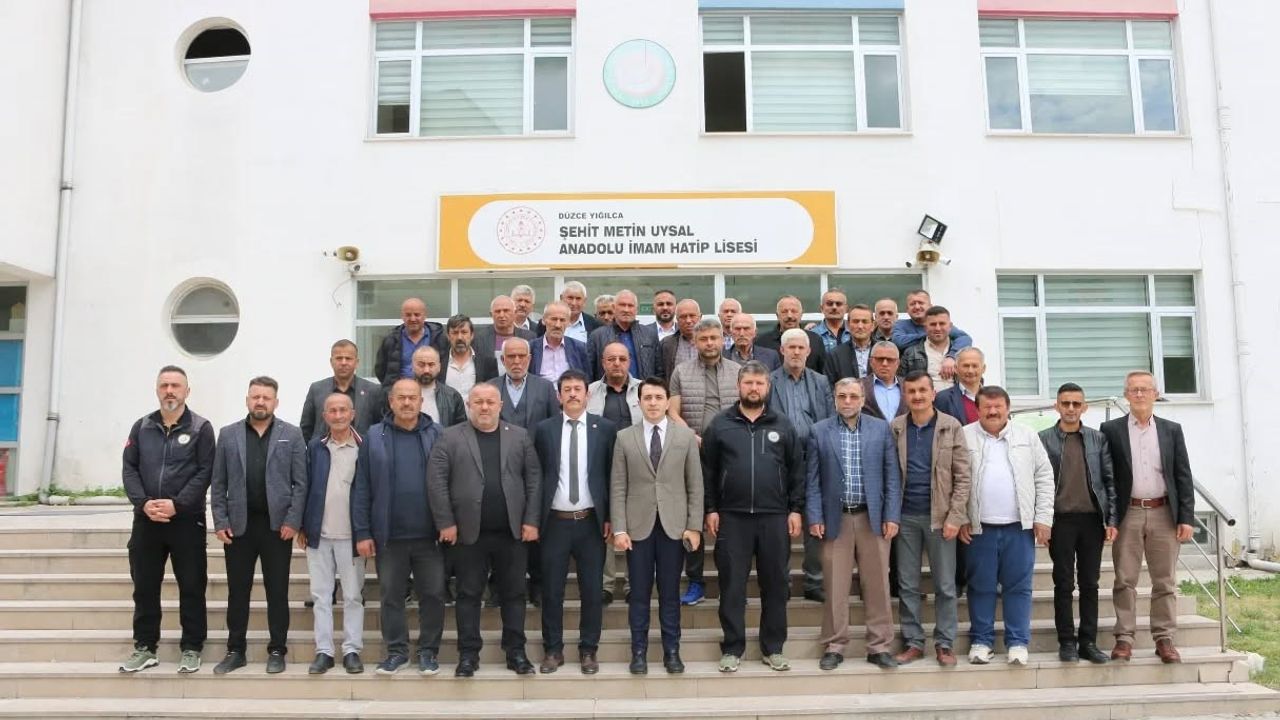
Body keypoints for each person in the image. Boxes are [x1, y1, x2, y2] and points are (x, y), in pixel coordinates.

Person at [428, 383, 542, 677]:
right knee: (468, 594)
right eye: (478, 401)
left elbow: (533, 480)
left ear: (500, 405)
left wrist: (531, 520)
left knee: (514, 594)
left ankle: (516, 653)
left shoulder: (519, 436)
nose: (484, 407)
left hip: (512, 533)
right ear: (469, 405)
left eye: (490, 401)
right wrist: (445, 523)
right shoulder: (450, 437)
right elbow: (437, 482)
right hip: (468, 534)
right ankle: (468, 655)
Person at [703, 362, 805, 673]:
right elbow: (707, 472)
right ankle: (732, 648)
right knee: (732, 585)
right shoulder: (720, 425)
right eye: (748, 383)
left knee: (775, 585)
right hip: (732, 518)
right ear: (738, 386)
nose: (754, 388)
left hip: (774, 517)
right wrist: (711, 509)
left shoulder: (783, 425)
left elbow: (797, 471)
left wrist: (795, 509)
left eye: (759, 383)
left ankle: (773, 648)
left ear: (767, 387)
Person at [119, 365, 215, 674]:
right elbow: (129, 468)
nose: (170, 391)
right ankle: (145, 647)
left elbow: (205, 471)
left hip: (186, 522)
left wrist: (178, 505)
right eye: (164, 385)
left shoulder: (201, 428)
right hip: (147, 521)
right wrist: (143, 503)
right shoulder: (141, 427)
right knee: (145, 586)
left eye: (176, 385)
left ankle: (192, 647)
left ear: (187, 391)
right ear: (157, 390)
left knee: (192, 585)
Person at [210, 376, 308, 675]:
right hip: (238, 527)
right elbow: (218, 482)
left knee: (277, 592)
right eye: (256, 397)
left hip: (277, 528)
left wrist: (293, 520)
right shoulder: (228, 435)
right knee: (237, 592)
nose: (260, 402)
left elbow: (301, 483)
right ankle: (235, 650)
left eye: (266, 397)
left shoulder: (292, 435)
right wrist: (220, 520)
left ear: (275, 402)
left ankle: (277, 649)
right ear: (247, 400)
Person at [351, 377, 447, 676]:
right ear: (391, 401)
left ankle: (428, 652)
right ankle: (396, 652)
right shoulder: (374, 435)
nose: (407, 402)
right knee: (391, 597)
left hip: (430, 537)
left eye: (412, 397)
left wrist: (449, 523)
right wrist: (362, 532)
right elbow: (362, 486)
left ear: (421, 401)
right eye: (401, 397)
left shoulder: (438, 434)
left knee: (433, 596)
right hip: (389, 537)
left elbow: (450, 481)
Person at [807, 377, 901, 671]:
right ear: (834, 399)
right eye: (842, 396)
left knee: (878, 585)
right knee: (835, 585)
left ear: (862, 399)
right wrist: (815, 516)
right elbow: (812, 480)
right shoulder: (819, 431)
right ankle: (835, 645)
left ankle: (879, 646)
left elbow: (892, 476)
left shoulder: (880, 429)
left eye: (853, 396)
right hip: (835, 518)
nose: (847, 401)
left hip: (873, 518)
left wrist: (891, 515)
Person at [1101, 370, 1195, 664]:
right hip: (1128, 512)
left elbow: (1182, 475)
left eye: (1145, 389)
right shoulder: (1110, 429)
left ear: (1156, 394)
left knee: (1164, 581)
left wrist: (1186, 517)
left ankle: (1164, 638)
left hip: (1164, 512)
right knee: (1124, 579)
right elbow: (1107, 477)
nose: (1139, 394)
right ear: (1126, 395)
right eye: (1134, 389)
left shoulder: (1171, 430)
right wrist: (1110, 518)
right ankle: (1124, 638)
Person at [611, 377, 703, 675]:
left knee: (670, 593)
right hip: (637, 528)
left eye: (658, 397)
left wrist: (694, 526)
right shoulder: (624, 437)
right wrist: (620, 529)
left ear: (667, 402)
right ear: (638, 402)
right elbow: (618, 486)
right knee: (638, 593)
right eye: (647, 398)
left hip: (673, 527)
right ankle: (638, 651)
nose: (652, 403)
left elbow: (695, 485)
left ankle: (671, 650)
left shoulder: (684, 437)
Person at [960, 386, 1054, 666]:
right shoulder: (964, 436)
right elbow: (953, 478)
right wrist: (960, 517)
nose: (993, 411)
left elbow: (1044, 477)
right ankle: (981, 641)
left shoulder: (1027, 436)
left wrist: (1043, 518)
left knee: (1019, 587)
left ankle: (1017, 643)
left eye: (998, 406)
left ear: (1008, 408)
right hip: (979, 528)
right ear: (977, 409)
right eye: (987, 407)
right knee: (980, 586)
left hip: (1019, 528)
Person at [533, 370, 618, 674]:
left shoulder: (605, 429)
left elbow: (612, 476)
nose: (572, 394)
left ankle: (588, 649)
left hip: (590, 522)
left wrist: (610, 517)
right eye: (566, 389)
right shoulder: (544, 429)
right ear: (558, 396)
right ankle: (553, 650)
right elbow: (537, 476)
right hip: (554, 522)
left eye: (577, 389)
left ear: (587, 394)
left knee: (592, 591)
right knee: (551, 591)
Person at [890, 371, 971, 667]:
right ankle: (913, 642)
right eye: (911, 391)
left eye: (922, 390)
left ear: (933, 393)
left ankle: (944, 643)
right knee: (907, 584)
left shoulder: (951, 426)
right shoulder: (896, 427)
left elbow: (963, 476)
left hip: (941, 517)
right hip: (905, 517)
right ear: (905, 395)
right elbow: (889, 473)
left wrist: (955, 516)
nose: (917, 396)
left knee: (945, 585)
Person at [1039, 383, 1117, 664]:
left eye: (1076, 403)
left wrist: (1111, 519)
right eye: (1065, 403)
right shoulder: (1043, 439)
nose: (1070, 408)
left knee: (1090, 583)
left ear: (1084, 407)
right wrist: (1041, 521)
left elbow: (1109, 481)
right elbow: (1038, 482)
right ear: (1056, 406)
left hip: (1091, 520)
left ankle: (1088, 642)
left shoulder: (1098, 439)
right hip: (1060, 520)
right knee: (1063, 583)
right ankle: (1066, 642)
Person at [667, 318, 741, 606]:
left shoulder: (738, 371)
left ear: (723, 339)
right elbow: (672, 412)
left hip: (732, 456)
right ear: (695, 342)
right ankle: (696, 581)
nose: (709, 343)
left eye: (714, 338)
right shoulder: (681, 372)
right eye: (704, 339)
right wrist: (691, 436)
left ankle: (730, 584)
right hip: (694, 454)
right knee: (694, 517)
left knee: (731, 520)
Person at [299, 393, 366, 674]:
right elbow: (303, 486)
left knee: (352, 596)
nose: (338, 416)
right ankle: (324, 651)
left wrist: (367, 532)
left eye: (343, 410)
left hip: (353, 537)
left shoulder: (365, 447)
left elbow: (371, 491)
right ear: (324, 416)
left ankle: (352, 650)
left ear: (352, 414)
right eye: (332, 411)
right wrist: (303, 525)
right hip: (319, 535)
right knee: (321, 595)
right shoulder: (315, 448)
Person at [767, 328, 834, 602]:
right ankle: (780, 581)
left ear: (808, 351)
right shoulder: (769, 381)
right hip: (778, 460)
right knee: (779, 524)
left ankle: (814, 581)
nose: (796, 352)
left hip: (814, 459)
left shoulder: (821, 382)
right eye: (791, 347)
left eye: (800, 348)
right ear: (782, 350)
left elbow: (830, 419)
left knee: (814, 521)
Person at [587, 341, 642, 603]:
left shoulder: (644, 390)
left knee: (636, 524)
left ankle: (634, 583)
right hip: (601, 465)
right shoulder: (590, 392)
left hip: (637, 466)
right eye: (611, 359)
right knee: (605, 524)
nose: (617, 363)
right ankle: (606, 584)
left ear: (629, 361)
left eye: (622, 359)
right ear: (603, 363)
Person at [300, 339, 384, 442]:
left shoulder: (373, 390)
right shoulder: (316, 389)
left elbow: (380, 427)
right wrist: (316, 449)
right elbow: (306, 428)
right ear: (331, 362)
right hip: (324, 450)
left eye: (348, 358)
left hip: (362, 450)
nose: (343, 363)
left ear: (356, 362)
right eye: (339, 358)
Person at [892, 291, 972, 389]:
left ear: (930, 306)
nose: (917, 307)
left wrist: (951, 357)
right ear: (907, 310)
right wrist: (929, 333)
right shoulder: (900, 325)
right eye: (912, 304)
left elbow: (965, 338)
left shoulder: (943, 325)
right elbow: (899, 342)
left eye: (921, 303)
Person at [374, 298, 448, 387]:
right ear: (402, 316)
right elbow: (380, 369)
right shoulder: (391, 340)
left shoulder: (439, 339)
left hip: (431, 390)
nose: (413, 319)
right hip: (401, 392)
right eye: (408, 315)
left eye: (417, 315)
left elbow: (444, 368)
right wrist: (392, 388)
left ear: (425, 316)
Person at [588, 289, 661, 381]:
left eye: (630, 306)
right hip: (608, 389)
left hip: (642, 388)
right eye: (622, 305)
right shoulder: (597, 336)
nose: (626, 310)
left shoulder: (650, 334)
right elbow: (589, 371)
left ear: (636, 310)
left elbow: (659, 370)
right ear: (614, 308)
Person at [491, 337, 560, 431]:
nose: (516, 361)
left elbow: (555, 423)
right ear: (503, 359)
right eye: (511, 356)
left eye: (521, 356)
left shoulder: (545, 387)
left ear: (529, 359)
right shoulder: (491, 387)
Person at [757, 295, 825, 374]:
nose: (789, 316)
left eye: (794, 311)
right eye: (784, 312)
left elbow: (822, 372)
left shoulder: (815, 340)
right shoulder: (763, 342)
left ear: (801, 314)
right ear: (777, 315)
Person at [439, 314, 499, 400]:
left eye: (464, 332)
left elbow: (493, 394)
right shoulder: (439, 362)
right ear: (448, 336)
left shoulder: (488, 362)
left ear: (472, 335)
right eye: (455, 333)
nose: (459, 337)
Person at [900, 306, 959, 391]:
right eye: (933, 324)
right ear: (925, 327)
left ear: (950, 326)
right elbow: (901, 382)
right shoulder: (910, 353)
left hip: (956, 399)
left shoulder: (961, 353)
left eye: (942, 324)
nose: (937, 328)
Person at [531, 301, 591, 382]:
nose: (558, 325)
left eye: (562, 320)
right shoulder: (531, 348)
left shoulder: (579, 348)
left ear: (568, 323)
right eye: (554, 319)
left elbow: (586, 379)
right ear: (544, 320)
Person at [411, 346, 467, 428]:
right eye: (421, 365)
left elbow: (462, 429)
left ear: (439, 367)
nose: (426, 370)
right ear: (412, 366)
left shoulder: (452, 396)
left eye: (431, 365)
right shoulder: (400, 394)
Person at [473, 295, 536, 363]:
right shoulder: (479, 338)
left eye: (506, 311)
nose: (501, 315)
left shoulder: (529, 337)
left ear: (514, 312)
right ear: (491, 314)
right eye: (497, 311)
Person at [824, 304, 875, 384]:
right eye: (855, 321)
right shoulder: (835, 355)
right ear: (848, 325)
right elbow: (828, 386)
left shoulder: (884, 352)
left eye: (865, 322)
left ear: (873, 326)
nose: (860, 326)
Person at [935, 347, 985, 425]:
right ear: (956, 368)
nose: (970, 371)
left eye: (975, 366)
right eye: (966, 366)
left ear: (983, 369)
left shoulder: (994, 398)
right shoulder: (943, 398)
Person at [862, 341, 908, 421]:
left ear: (898, 363)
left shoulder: (908, 386)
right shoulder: (859, 386)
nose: (884, 364)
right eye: (880, 359)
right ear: (871, 362)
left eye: (890, 359)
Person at [659, 298, 701, 379]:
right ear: (677, 320)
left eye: (692, 316)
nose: (688, 321)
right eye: (683, 317)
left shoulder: (711, 342)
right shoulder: (666, 344)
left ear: (700, 317)